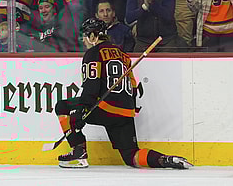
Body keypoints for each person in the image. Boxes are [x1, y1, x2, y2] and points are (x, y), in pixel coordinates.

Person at [54, 17, 193, 169]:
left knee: (62, 106)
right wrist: (131, 107)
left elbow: (91, 84)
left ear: (93, 36)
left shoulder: (93, 53)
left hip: (105, 108)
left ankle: (78, 150)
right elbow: (133, 86)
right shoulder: (122, 54)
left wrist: (82, 109)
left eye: (86, 37)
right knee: (131, 156)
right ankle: (165, 159)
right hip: (125, 112)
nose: (85, 41)